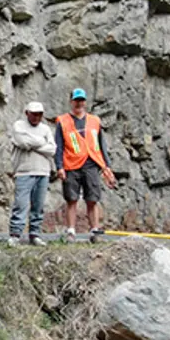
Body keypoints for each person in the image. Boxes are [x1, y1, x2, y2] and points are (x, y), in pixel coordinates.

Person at [55, 88, 116, 243]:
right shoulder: (63, 121)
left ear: (85, 102)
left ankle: (94, 230)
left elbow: (102, 145)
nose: (79, 103)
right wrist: (59, 166)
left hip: (91, 164)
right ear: (71, 101)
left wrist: (106, 166)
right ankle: (70, 231)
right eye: (76, 100)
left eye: (81, 100)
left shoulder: (95, 121)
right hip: (71, 164)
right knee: (72, 199)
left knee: (92, 199)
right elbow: (59, 146)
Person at [9, 101, 56, 246]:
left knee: (38, 205)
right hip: (24, 170)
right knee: (21, 204)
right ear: (27, 113)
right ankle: (15, 234)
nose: (37, 117)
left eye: (40, 114)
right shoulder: (18, 125)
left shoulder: (46, 129)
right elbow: (22, 142)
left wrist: (34, 143)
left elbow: (52, 149)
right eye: (34, 114)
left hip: (43, 171)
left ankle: (35, 234)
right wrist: (42, 142)